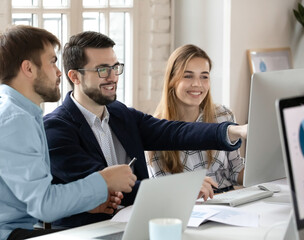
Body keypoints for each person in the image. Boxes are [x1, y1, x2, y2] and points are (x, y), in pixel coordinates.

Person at [0, 25, 137, 240]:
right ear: (28, 68)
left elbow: (33, 196)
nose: (59, 72)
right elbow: (44, 205)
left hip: (1, 229)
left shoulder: (13, 111)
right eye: (52, 61)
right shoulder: (12, 121)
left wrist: (88, 201)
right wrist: (104, 180)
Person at [43, 31, 247, 228]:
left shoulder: (120, 113)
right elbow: (106, 186)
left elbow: (173, 132)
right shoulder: (56, 128)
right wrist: (183, 188)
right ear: (75, 77)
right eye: (103, 70)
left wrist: (233, 131)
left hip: (137, 224)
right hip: (90, 232)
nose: (113, 77)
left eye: (116, 67)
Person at [147, 44, 244, 193]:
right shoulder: (157, 128)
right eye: (188, 76)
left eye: (204, 76)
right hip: (188, 208)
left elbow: (234, 170)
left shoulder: (223, 115)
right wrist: (189, 188)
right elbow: (161, 191)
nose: (197, 84)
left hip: (227, 202)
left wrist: (266, 171)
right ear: (172, 79)